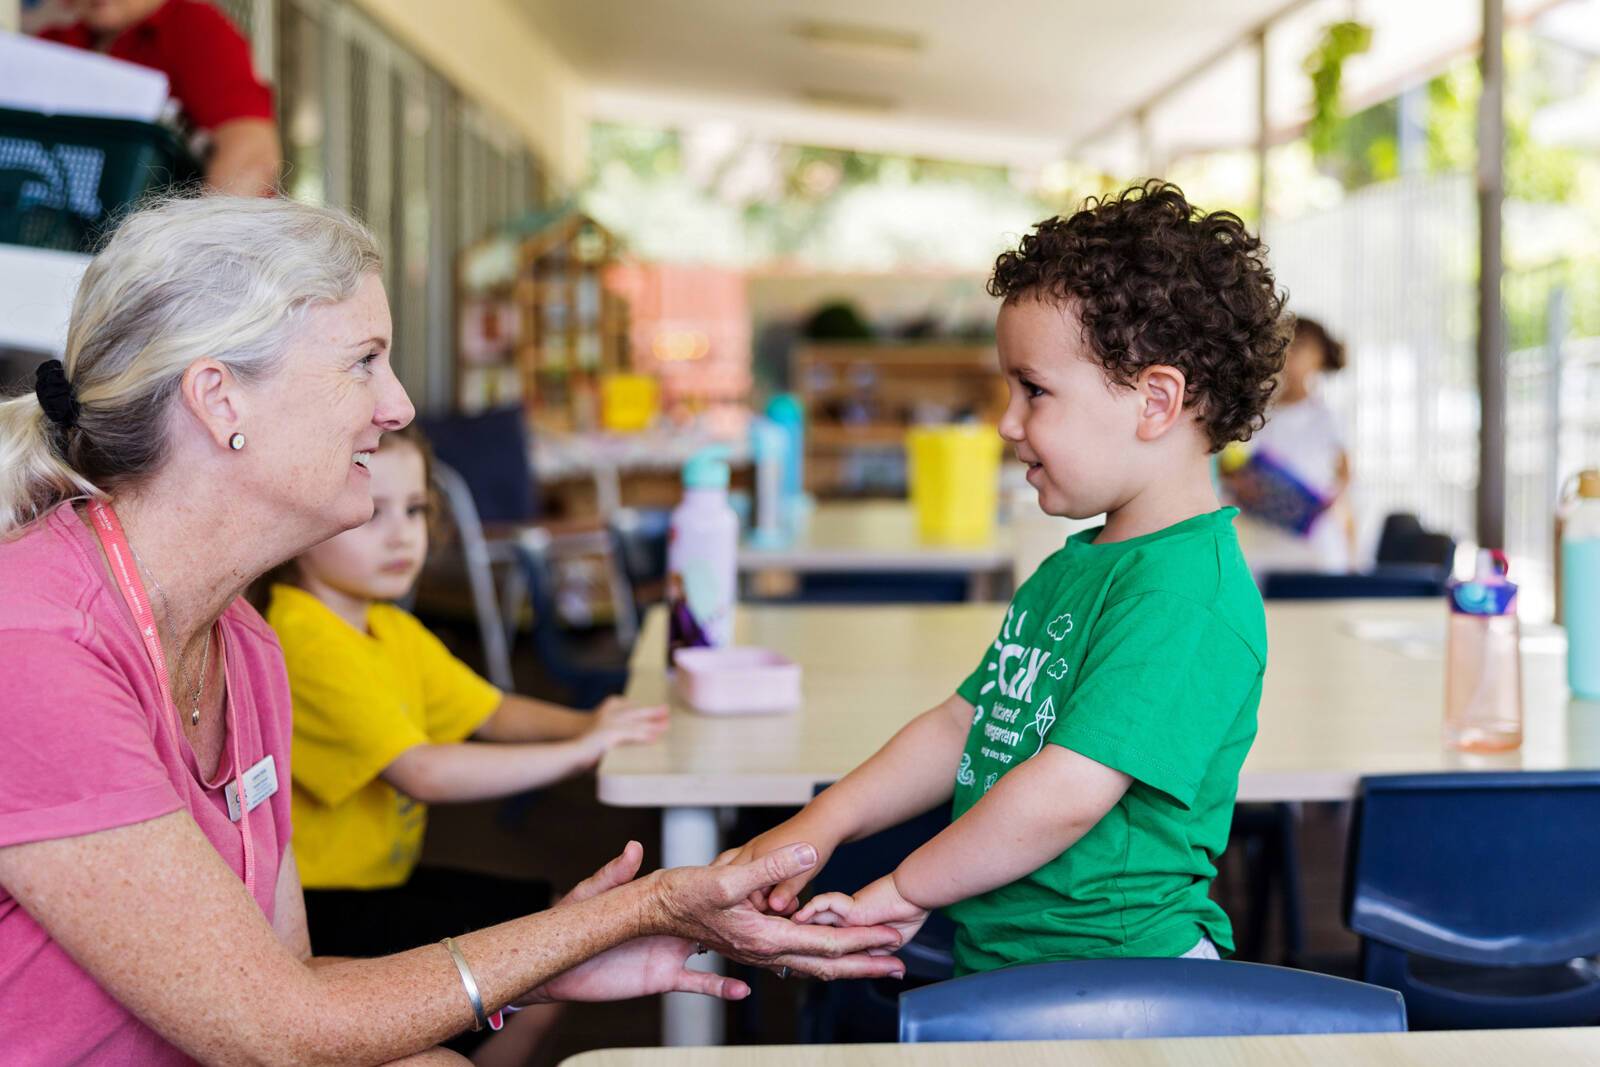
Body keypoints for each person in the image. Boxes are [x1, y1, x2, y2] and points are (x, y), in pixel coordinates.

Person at [0, 194, 906, 1066]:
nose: (398, 406)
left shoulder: (244, 642)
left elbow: (289, 985)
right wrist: (640, 908)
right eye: (364, 361)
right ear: (219, 399)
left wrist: (544, 962)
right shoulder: (35, 642)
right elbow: (277, 1029)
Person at [721, 182, 1285, 975]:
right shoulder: (1077, 567)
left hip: (1121, 981)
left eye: (1035, 390)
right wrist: (823, 823)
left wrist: (903, 889)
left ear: (1156, 399)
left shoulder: (1186, 593)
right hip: (1019, 965)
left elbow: (1065, 793)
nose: (1007, 421)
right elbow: (963, 726)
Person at [260, 424, 668, 1062]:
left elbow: (493, 711)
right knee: (551, 945)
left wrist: (594, 725)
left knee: (558, 934)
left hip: (382, 883)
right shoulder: (300, 635)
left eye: (416, 511)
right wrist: (580, 751)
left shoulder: (388, 626)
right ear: (307, 516)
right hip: (322, 914)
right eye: (371, 512)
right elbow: (421, 772)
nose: (402, 534)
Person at [36, 0, 282, 195]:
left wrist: (190, 245)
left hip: (173, 245)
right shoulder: (50, 46)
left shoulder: (194, 27)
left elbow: (252, 156)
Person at [1222, 315, 1354, 578]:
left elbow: (1345, 477)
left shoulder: (1328, 418)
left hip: (1313, 544)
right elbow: (1228, 466)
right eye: (1283, 344)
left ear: (1321, 357)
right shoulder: (1252, 415)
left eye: (1301, 346)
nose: (1290, 354)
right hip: (1260, 543)